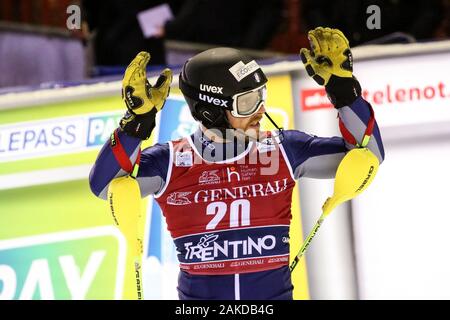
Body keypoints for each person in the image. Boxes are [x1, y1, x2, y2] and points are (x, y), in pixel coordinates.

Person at [89, 27, 384, 300]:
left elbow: (368, 154)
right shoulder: (169, 162)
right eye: (247, 102)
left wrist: (344, 91)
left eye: (260, 97)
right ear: (210, 112)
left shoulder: (284, 149)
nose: (260, 110)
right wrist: (135, 125)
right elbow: (103, 186)